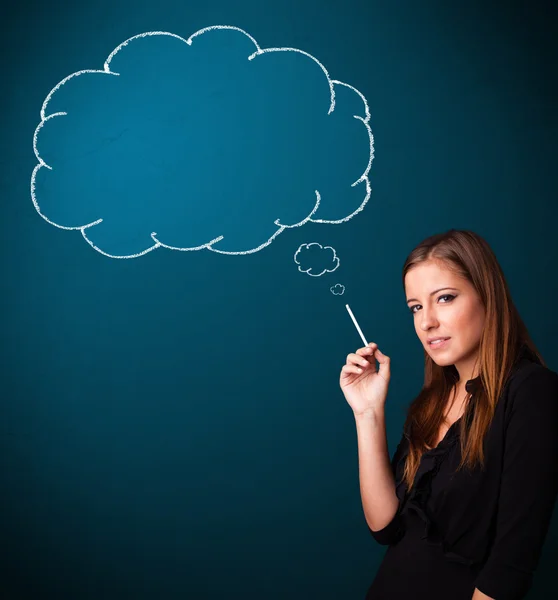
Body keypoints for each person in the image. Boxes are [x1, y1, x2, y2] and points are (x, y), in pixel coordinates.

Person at [339, 229, 558, 600]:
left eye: (444, 298)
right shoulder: (432, 399)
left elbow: (511, 564)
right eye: (416, 307)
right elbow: (385, 528)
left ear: (487, 296)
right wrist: (368, 412)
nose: (426, 322)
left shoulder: (532, 391)